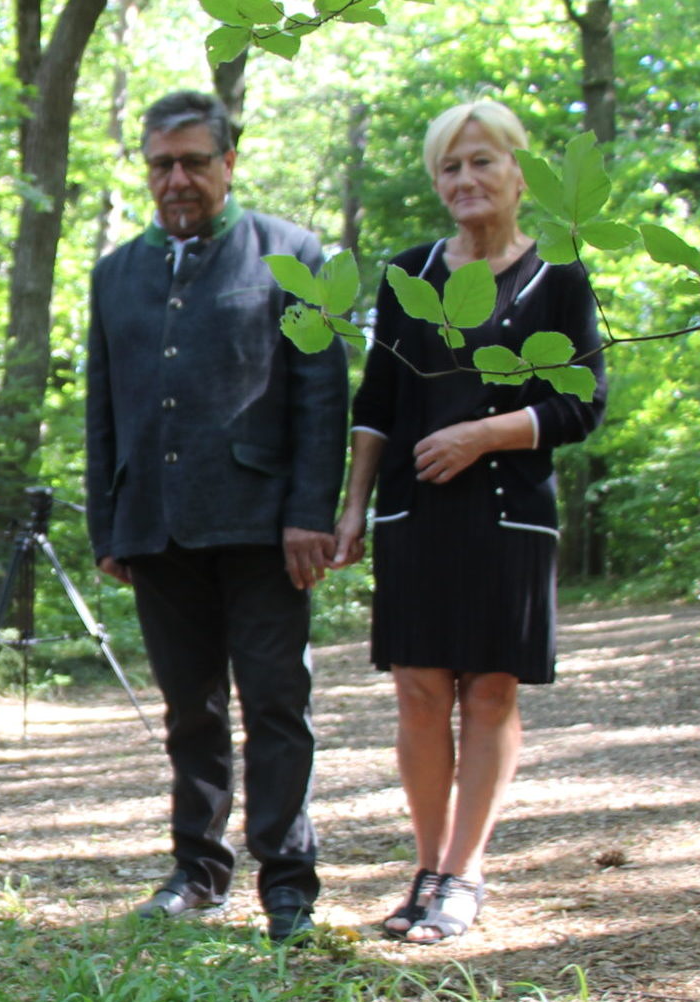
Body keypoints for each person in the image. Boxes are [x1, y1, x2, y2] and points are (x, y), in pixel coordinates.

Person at [334, 100, 607, 944]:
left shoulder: (558, 275)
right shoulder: (410, 275)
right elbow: (378, 402)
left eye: (482, 162)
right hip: (414, 511)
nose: (464, 180)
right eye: (449, 167)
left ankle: (465, 871)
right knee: (419, 692)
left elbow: (583, 401)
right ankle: (426, 865)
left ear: (520, 173)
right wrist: (351, 507)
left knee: (489, 690)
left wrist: (484, 434)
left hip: (510, 514)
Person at [82, 89, 348, 942]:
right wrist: (107, 526)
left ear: (229, 162)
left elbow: (320, 396)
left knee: (276, 699)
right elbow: (103, 407)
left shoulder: (293, 255)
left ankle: (288, 881)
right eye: (162, 163)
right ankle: (197, 870)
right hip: (155, 527)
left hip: (264, 524)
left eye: (196, 160)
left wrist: (311, 511)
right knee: (189, 710)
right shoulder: (116, 271)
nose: (178, 178)